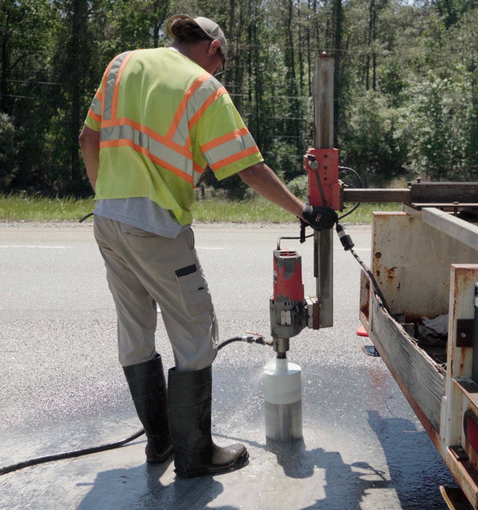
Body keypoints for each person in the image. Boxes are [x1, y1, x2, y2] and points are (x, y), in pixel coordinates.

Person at [78, 14, 336, 478]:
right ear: (214, 50)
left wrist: (108, 197)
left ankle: (159, 446)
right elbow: (247, 167)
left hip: (108, 220)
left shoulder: (123, 64)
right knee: (196, 332)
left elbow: (87, 139)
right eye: (223, 65)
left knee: (135, 331)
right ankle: (195, 455)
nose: (220, 74)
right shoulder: (203, 89)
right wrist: (304, 211)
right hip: (156, 227)